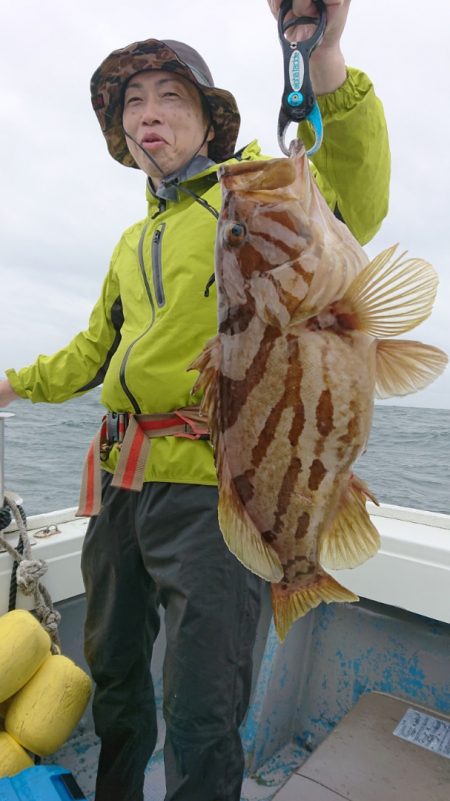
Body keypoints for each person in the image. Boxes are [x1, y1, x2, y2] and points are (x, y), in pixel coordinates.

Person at [0, 1, 391, 799]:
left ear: (211, 123)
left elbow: (355, 186)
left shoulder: (255, 194)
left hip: (216, 487)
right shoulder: (130, 241)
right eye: (131, 103)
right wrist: (11, 382)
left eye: (169, 96)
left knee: (201, 702)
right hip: (120, 486)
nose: (147, 114)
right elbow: (94, 351)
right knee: (114, 679)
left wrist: (325, 55)